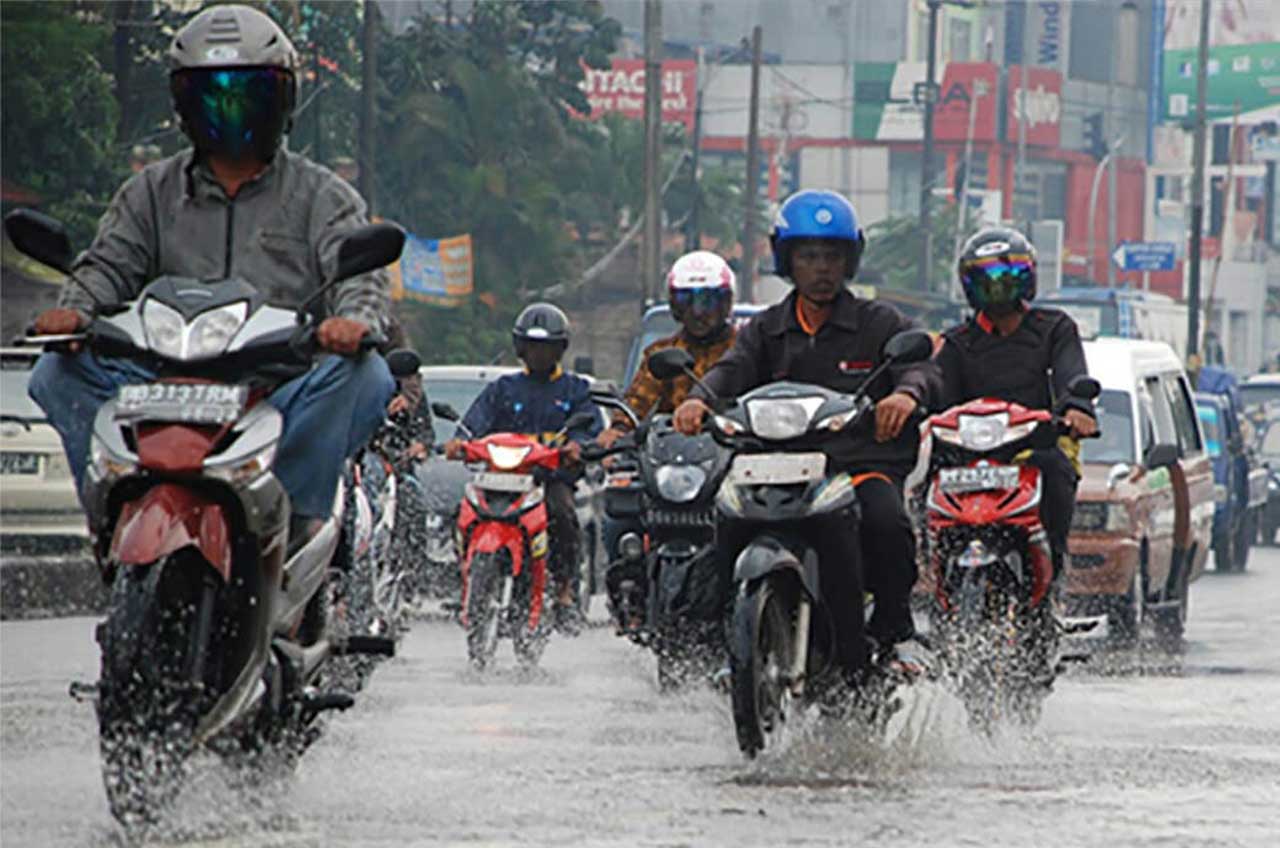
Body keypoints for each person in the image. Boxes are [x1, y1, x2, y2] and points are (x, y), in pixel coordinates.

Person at [26, 4, 393, 547]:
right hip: (159, 384)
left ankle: (292, 517)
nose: (231, 107)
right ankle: (111, 505)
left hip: (276, 388)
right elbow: (107, 265)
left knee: (368, 378)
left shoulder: (323, 195)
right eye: (212, 93)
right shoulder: (149, 192)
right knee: (53, 373)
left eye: (250, 94)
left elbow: (357, 276)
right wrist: (75, 310)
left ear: (282, 100)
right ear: (184, 105)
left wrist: (353, 322)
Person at [672, 189, 938, 675]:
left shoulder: (879, 323)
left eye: (832, 256)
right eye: (809, 256)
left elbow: (920, 367)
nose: (821, 268)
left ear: (849, 261)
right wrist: (697, 399)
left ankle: (892, 634)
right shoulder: (765, 329)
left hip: (857, 466)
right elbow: (731, 370)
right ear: (787, 260)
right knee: (720, 519)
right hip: (773, 466)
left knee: (886, 522)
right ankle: (722, 634)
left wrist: (906, 396)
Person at [933, 226, 1098, 578]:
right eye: (986, 278)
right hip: (967, 453)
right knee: (921, 482)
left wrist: (1076, 409)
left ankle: (1053, 570)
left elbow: (1072, 374)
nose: (997, 287)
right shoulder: (956, 341)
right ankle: (929, 572)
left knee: (1055, 471)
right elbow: (937, 395)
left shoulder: (1055, 327)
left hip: (1034, 445)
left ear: (1028, 279)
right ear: (968, 284)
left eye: (1008, 276)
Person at [444, 303, 602, 631]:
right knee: (463, 512)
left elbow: (590, 431)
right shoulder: (503, 389)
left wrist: (577, 447)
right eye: (532, 347)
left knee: (562, 514)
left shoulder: (576, 390)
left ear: (560, 349)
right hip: (501, 477)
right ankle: (466, 579)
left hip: (549, 480)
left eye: (546, 348)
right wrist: (459, 441)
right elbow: (475, 422)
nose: (539, 354)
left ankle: (563, 593)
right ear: (520, 348)